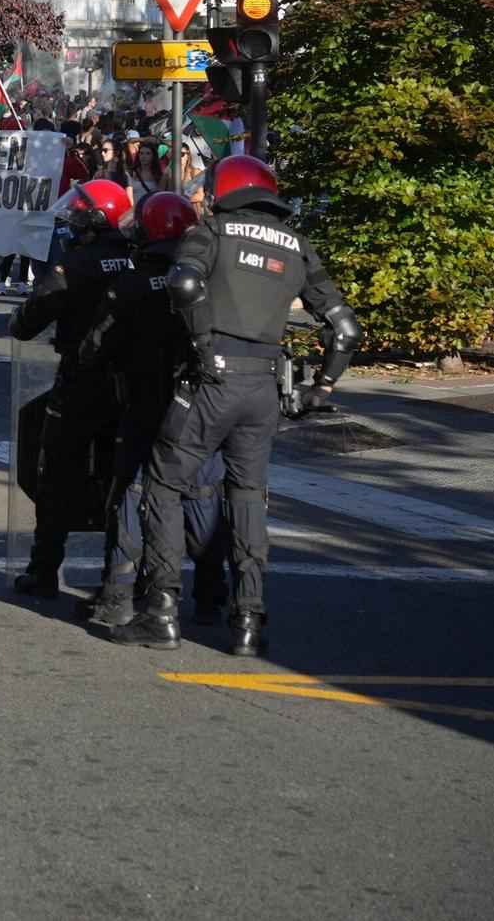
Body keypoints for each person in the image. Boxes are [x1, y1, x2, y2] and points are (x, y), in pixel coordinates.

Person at [112, 156, 360, 656]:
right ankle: (247, 620)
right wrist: (323, 389)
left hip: (210, 381)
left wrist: (202, 347)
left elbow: (184, 283)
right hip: (263, 386)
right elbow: (346, 329)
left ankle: (161, 611)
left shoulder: (214, 231)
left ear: (226, 189)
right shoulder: (297, 246)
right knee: (247, 494)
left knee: (163, 482)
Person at [72, 192, 230, 628]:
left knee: (131, 496)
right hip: (200, 406)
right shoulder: (208, 282)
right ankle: (212, 596)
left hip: (144, 406)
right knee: (202, 495)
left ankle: (119, 595)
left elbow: (94, 349)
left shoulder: (131, 285)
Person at [8, 180, 136, 600]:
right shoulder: (137, 260)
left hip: (81, 382)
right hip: (130, 386)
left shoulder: (76, 265)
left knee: (57, 475)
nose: (74, 218)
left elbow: (26, 323)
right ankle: (118, 580)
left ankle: (44, 570)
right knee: (120, 481)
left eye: (82, 212)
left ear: (99, 218)